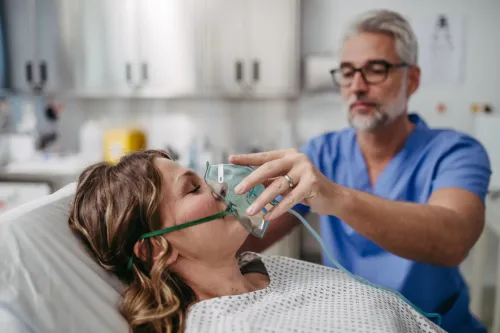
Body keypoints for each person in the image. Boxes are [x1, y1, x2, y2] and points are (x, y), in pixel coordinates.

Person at [230, 9, 491, 333]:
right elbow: (247, 235)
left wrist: (336, 197)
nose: (357, 86)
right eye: (348, 72)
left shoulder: (456, 152)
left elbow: (453, 241)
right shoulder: (321, 153)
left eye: (375, 70)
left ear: (412, 79)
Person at [68, 149, 445, 333]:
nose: (221, 186)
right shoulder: (218, 326)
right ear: (155, 247)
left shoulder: (265, 269)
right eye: (193, 188)